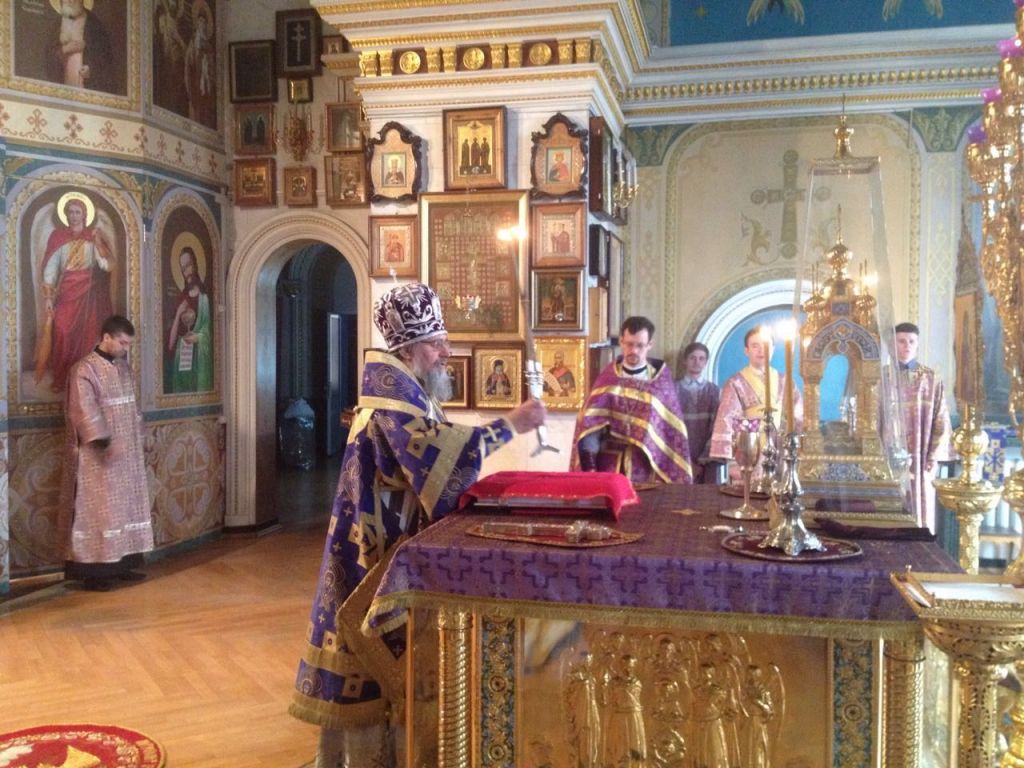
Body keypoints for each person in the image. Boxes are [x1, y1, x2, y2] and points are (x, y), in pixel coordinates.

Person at [290, 282, 546, 767]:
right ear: (408, 350)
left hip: (382, 540)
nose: (446, 353)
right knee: (372, 655)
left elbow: (434, 455)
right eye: (435, 344)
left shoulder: (404, 393)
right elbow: (439, 458)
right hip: (372, 553)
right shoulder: (393, 403)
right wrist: (512, 424)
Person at [57, 315, 152, 592]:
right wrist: (105, 443)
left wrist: (138, 438)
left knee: (125, 508)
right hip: (97, 458)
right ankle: (94, 573)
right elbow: (83, 410)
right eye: (122, 342)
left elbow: (132, 408)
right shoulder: (84, 369)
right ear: (106, 337)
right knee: (100, 512)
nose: (126, 348)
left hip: (126, 455)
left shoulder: (124, 367)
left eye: (129, 344)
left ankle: (123, 564)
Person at [571, 316, 692, 484]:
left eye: (640, 345)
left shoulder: (661, 385)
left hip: (646, 468)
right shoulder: (607, 380)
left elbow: (670, 435)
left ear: (650, 345)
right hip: (610, 467)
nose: (634, 350)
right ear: (621, 341)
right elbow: (589, 428)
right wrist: (590, 470)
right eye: (629, 344)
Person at [35, 193, 115, 393]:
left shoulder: (92, 237)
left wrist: (99, 243)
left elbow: (106, 265)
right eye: (70, 212)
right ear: (66, 214)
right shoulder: (58, 237)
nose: (73, 216)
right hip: (67, 291)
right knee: (61, 331)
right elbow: (51, 269)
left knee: (87, 337)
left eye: (77, 212)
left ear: (84, 215)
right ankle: (62, 378)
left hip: (88, 294)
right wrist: (48, 298)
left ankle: (84, 381)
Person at [710, 327, 803, 484]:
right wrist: (732, 462)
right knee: (749, 493)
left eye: (766, 345)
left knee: (779, 493)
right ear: (746, 350)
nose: (761, 350)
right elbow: (726, 420)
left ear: (773, 349)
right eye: (755, 346)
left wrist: (799, 445)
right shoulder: (736, 382)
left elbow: (798, 416)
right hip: (749, 447)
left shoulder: (785, 381)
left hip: (780, 449)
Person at [891, 321, 952, 530]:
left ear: (917, 344)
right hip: (890, 456)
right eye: (901, 341)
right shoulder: (883, 377)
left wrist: (933, 456)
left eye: (911, 341)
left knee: (920, 506)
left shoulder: (931, 378)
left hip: (921, 456)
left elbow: (941, 419)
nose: (906, 346)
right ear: (893, 343)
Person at [166, 246, 213, 393]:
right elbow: (171, 344)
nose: (187, 272)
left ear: (195, 264)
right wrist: (179, 312)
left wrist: (198, 337)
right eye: (183, 269)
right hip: (183, 361)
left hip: (199, 361)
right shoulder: (181, 298)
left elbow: (209, 333)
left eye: (189, 265)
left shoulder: (205, 298)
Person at [676, 342, 721, 483]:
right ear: (685, 361)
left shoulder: (714, 391)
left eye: (701, 359)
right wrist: (686, 460)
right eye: (692, 358)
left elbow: (717, 428)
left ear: (706, 362)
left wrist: (702, 461)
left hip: (707, 460)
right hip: (680, 458)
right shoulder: (672, 390)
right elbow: (670, 428)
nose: (697, 362)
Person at [47, 0, 114, 92]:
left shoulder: (94, 23)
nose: (70, 1)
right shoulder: (57, 24)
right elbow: (49, 55)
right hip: (63, 80)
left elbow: (104, 56)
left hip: (86, 83)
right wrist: (65, 49)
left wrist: (91, 69)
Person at [183, 0, 216, 127]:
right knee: (196, 112)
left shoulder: (208, 46)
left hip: (206, 87)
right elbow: (189, 63)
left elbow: (212, 69)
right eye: (200, 22)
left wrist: (207, 72)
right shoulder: (193, 43)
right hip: (195, 84)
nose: (202, 25)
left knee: (205, 112)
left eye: (204, 22)